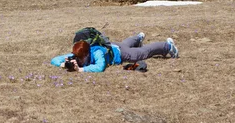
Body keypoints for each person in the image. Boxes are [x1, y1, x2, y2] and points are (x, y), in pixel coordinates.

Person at [51, 33, 179, 73]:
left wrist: (81, 70)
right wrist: (63, 64)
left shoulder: (97, 53)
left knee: (143, 52)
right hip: (114, 45)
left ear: (86, 53)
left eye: (80, 57)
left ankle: (168, 46)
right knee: (125, 42)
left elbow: (100, 67)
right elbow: (54, 59)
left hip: (120, 52)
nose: (78, 59)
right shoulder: (77, 54)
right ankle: (138, 37)